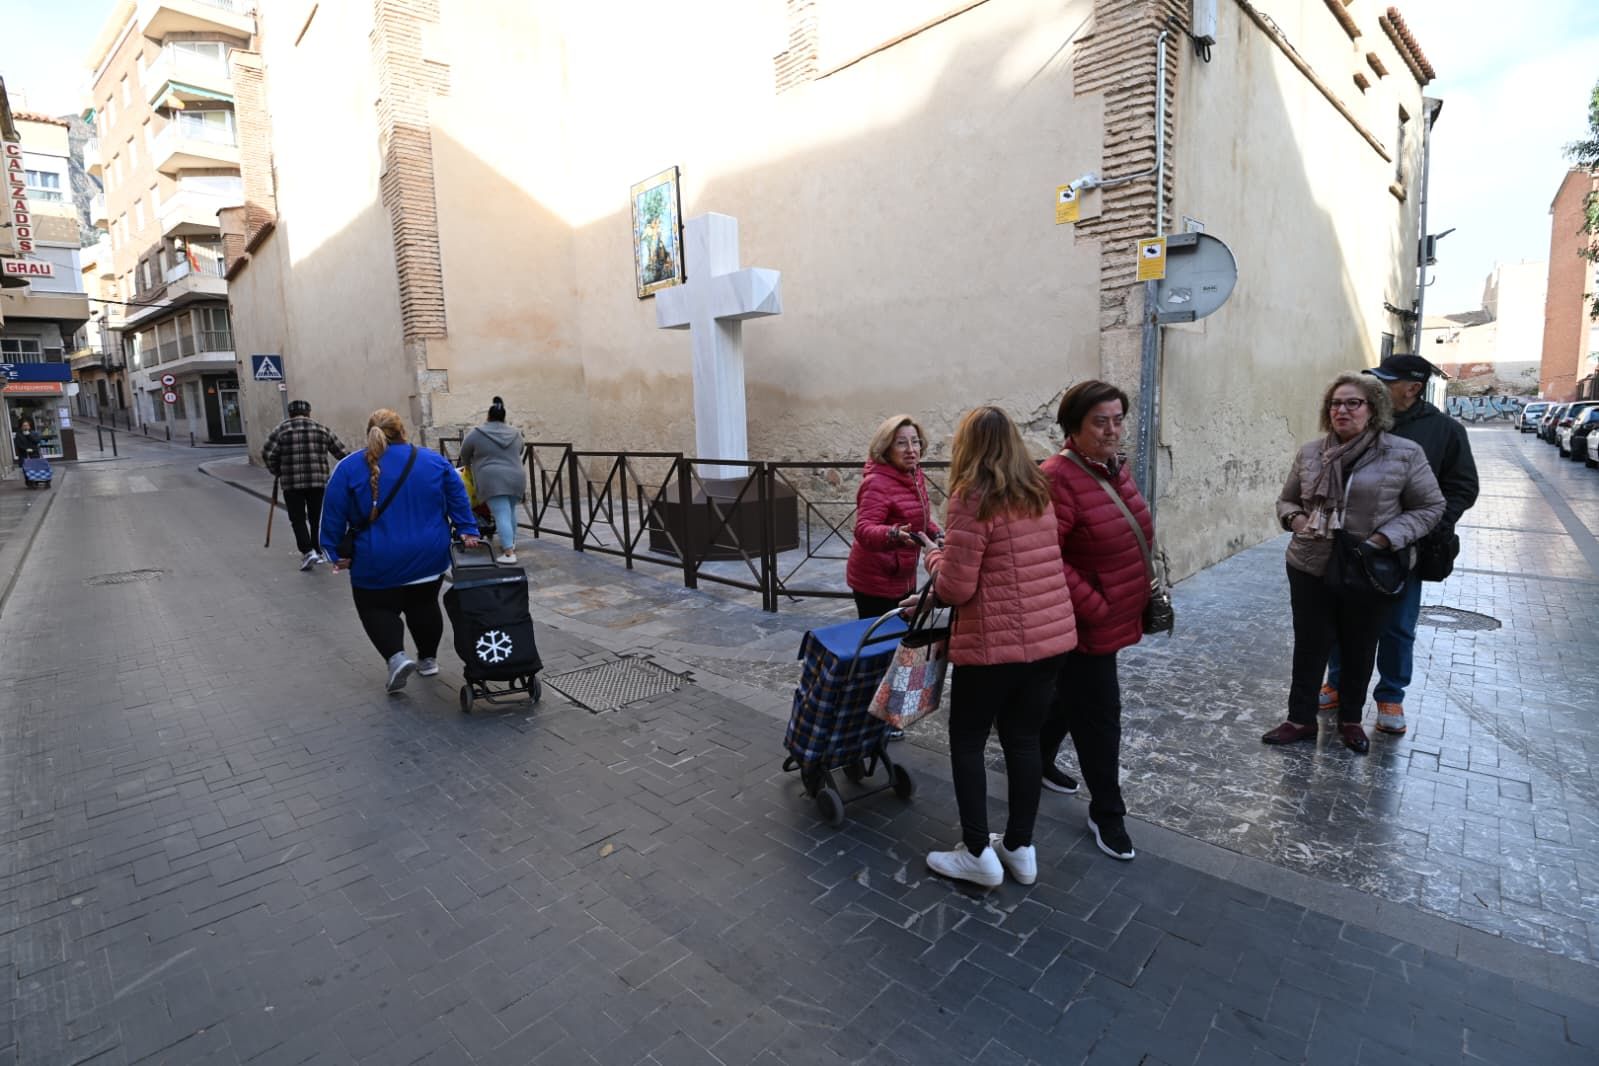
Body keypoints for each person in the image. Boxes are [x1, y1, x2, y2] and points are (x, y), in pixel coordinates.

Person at [916, 406, 1077, 889]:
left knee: (967, 739)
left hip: (993, 646)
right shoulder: (1037, 492)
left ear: (967, 445)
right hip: (1049, 640)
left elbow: (956, 589)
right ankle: (1020, 848)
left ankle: (976, 853)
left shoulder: (972, 496)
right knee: (1023, 741)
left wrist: (934, 557)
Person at [1266, 373, 1444, 753]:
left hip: (1368, 565)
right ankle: (1299, 719)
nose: (1342, 410)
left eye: (1353, 403)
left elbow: (1431, 506)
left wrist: (1384, 539)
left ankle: (1350, 720)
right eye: (1335, 403)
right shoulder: (1311, 452)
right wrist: (1297, 521)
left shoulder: (1403, 453)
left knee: (1359, 646)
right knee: (1310, 645)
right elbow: (1287, 500)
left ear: (1373, 409)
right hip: (1311, 562)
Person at [1321, 355, 1478, 736]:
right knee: (1343, 618)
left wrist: (1430, 524)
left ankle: (1391, 695)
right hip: (1353, 543)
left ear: (1413, 388)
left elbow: (1463, 487)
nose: (1376, 387)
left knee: (1397, 626)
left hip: (1407, 549)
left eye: (1386, 382)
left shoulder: (1445, 431)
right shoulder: (1366, 421)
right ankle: (1337, 682)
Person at [1036, 380, 1152, 861]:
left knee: (1072, 698)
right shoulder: (1058, 478)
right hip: (1085, 622)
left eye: (1118, 420)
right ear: (1074, 427)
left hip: (1111, 612)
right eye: (1100, 422)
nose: (1112, 430)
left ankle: (1036, 758)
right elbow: (1046, 554)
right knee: (1102, 716)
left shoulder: (1112, 469)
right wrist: (1095, 603)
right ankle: (1107, 812)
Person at [321, 409, 481, 694]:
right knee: (424, 604)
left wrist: (334, 551)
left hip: (376, 558)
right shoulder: (433, 461)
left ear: (370, 432)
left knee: (375, 608)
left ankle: (396, 658)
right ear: (403, 431)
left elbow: (332, 512)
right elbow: (458, 497)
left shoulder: (349, 467)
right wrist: (467, 529)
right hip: (429, 556)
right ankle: (428, 660)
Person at [846, 414, 943, 620]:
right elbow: (863, 529)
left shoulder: (914, 474)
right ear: (886, 449)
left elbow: (919, 518)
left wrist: (936, 534)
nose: (911, 449)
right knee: (882, 636)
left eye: (915, 441)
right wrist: (893, 534)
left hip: (903, 575)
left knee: (901, 635)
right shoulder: (877, 482)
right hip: (875, 581)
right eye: (901, 443)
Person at [262, 400, 349, 571]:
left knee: (298, 519)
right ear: (309, 413)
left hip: (291, 484)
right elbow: (342, 454)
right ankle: (318, 550)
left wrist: (277, 470)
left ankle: (308, 552)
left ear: (290, 414)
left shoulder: (281, 430)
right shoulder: (322, 429)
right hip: (318, 482)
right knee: (317, 518)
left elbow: (267, 454)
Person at [456, 396, 527, 564]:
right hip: (517, 476)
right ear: (504, 417)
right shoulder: (516, 433)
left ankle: (509, 553)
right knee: (510, 511)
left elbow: (464, 454)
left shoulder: (477, 433)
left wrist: (471, 467)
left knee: (501, 513)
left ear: (488, 416)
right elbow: (520, 450)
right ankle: (511, 544)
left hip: (492, 479)